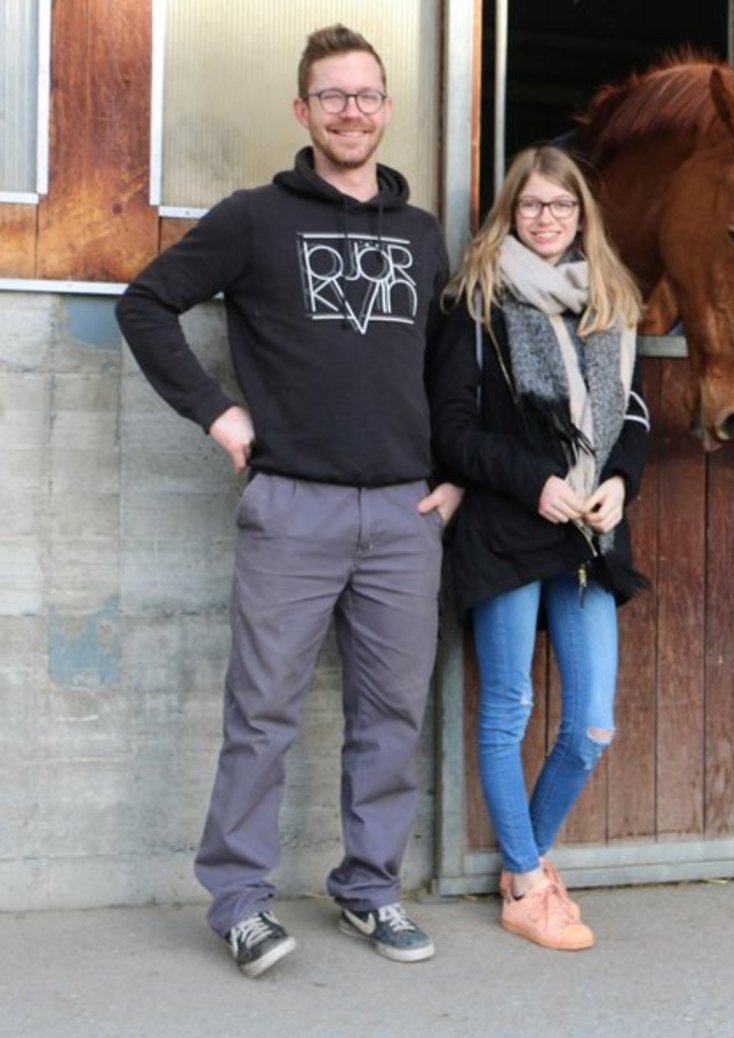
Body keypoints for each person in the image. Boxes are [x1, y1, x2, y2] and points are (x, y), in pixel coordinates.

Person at [116, 25, 457, 977]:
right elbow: (144, 305)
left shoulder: (423, 234)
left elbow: (450, 369)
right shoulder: (255, 218)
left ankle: (369, 891)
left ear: (387, 111)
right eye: (332, 96)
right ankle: (238, 901)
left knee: (391, 715)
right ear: (302, 111)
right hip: (293, 508)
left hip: (401, 516)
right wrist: (220, 415)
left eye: (367, 95)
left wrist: (455, 475)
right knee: (262, 714)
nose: (352, 111)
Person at [431, 145, 649, 951]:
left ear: (583, 215)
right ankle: (526, 883)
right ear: (508, 214)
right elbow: (451, 430)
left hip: (591, 528)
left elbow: (632, 413)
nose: (547, 220)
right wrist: (532, 482)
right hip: (508, 524)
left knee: (592, 724)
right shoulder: (475, 302)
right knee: (510, 710)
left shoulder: (608, 300)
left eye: (562, 206)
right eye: (531, 206)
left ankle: (529, 856)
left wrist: (620, 481)